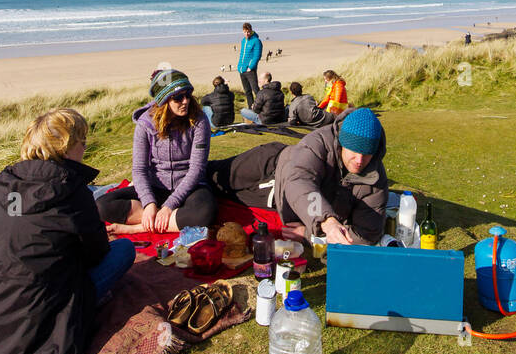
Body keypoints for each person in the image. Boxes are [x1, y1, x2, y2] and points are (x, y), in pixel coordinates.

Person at [0, 109, 135, 354]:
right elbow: (96, 253)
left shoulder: (5, 184)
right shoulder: (72, 188)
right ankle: (84, 305)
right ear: (64, 147)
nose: (84, 147)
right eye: (81, 141)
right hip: (44, 317)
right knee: (124, 249)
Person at [208, 106, 387, 246]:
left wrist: (309, 234)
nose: (360, 160)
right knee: (211, 175)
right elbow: (299, 180)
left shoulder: (374, 179)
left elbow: (367, 234)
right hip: (270, 162)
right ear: (341, 143)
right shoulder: (319, 143)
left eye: (367, 153)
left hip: (275, 197)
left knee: (221, 195)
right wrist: (326, 220)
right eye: (353, 151)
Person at [97, 68, 217, 233]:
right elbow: (139, 169)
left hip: (190, 187)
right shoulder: (145, 124)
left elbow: (197, 169)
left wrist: (169, 205)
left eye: (188, 95)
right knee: (102, 206)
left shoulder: (199, 120)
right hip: (156, 185)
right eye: (178, 97)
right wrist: (149, 203)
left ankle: (140, 227)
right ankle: (168, 220)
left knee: (204, 213)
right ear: (164, 100)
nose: (185, 101)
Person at [237, 22, 263, 109]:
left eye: (248, 32)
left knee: (256, 90)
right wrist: (239, 67)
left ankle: (262, 107)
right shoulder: (243, 41)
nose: (246, 34)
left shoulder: (256, 41)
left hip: (250, 70)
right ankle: (250, 108)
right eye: (245, 32)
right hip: (242, 69)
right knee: (247, 91)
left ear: (251, 31)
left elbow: (257, 56)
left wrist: (250, 67)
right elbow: (242, 55)